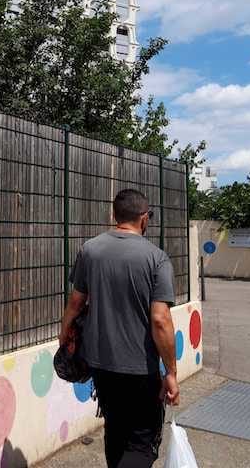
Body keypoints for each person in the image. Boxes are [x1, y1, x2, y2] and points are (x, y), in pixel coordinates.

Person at [59, 189, 179, 468]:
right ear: (144, 218)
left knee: (115, 430)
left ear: (115, 215)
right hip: (140, 369)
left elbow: (76, 303)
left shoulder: (90, 249)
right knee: (141, 444)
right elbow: (160, 320)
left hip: (100, 365)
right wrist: (171, 371)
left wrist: (64, 334)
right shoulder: (156, 258)